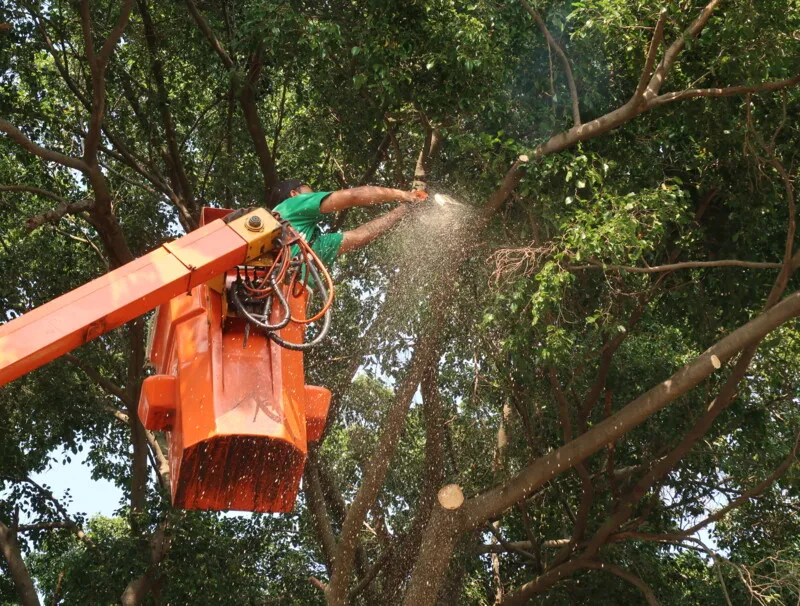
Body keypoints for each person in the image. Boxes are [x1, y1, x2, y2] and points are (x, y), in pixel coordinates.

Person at [271, 179, 428, 272]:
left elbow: (361, 235)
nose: (314, 193)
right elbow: (353, 196)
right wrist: (404, 195)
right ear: (294, 194)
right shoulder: (289, 206)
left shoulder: (311, 244)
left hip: (285, 312)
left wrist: (405, 208)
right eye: (308, 189)